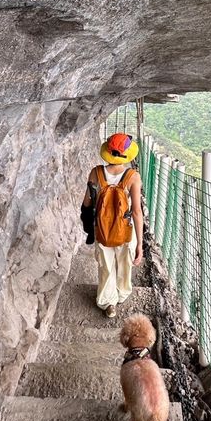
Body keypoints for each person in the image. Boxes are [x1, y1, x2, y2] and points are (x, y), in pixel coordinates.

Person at [82, 133, 143, 318]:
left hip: (102, 228)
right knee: (124, 264)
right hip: (125, 230)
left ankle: (109, 303)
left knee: (106, 266)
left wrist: (89, 226)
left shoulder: (96, 173)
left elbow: (87, 203)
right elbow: (137, 212)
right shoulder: (133, 177)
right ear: (127, 154)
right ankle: (121, 293)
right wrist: (140, 244)